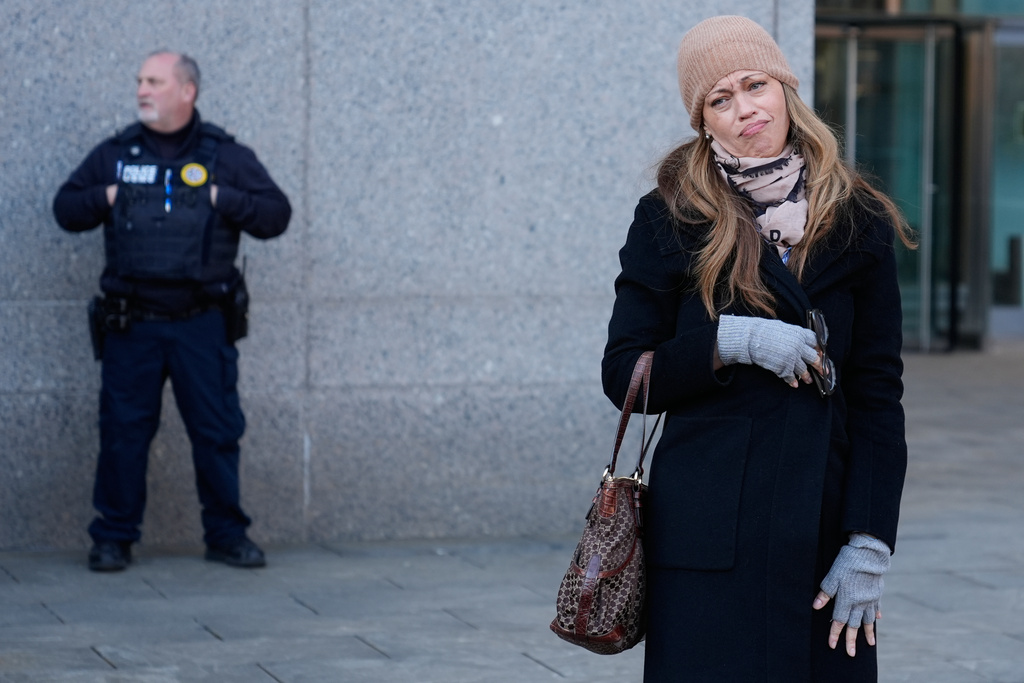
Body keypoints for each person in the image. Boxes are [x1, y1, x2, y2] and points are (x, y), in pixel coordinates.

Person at [601, 16, 915, 682]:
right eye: (720, 98)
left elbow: (878, 395)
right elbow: (624, 372)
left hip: (823, 536)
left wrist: (869, 541)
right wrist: (728, 342)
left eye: (755, 85)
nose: (745, 108)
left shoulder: (859, 219)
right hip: (709, 537)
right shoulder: (671, 215)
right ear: (703, 120)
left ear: (785, 89)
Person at [53, 51, 291, 572]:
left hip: (201, 323)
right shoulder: (115, 154)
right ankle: (113, 537)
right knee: (123, 433)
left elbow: (276, 215)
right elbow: (66, 209)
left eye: (154, 81)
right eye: (139, 80)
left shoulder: (225, 156)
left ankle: (227, 535)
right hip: (131, 323)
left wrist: (221, 197)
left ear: (187, 91)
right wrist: (107, 195)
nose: (142, 89)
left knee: (217, 431)